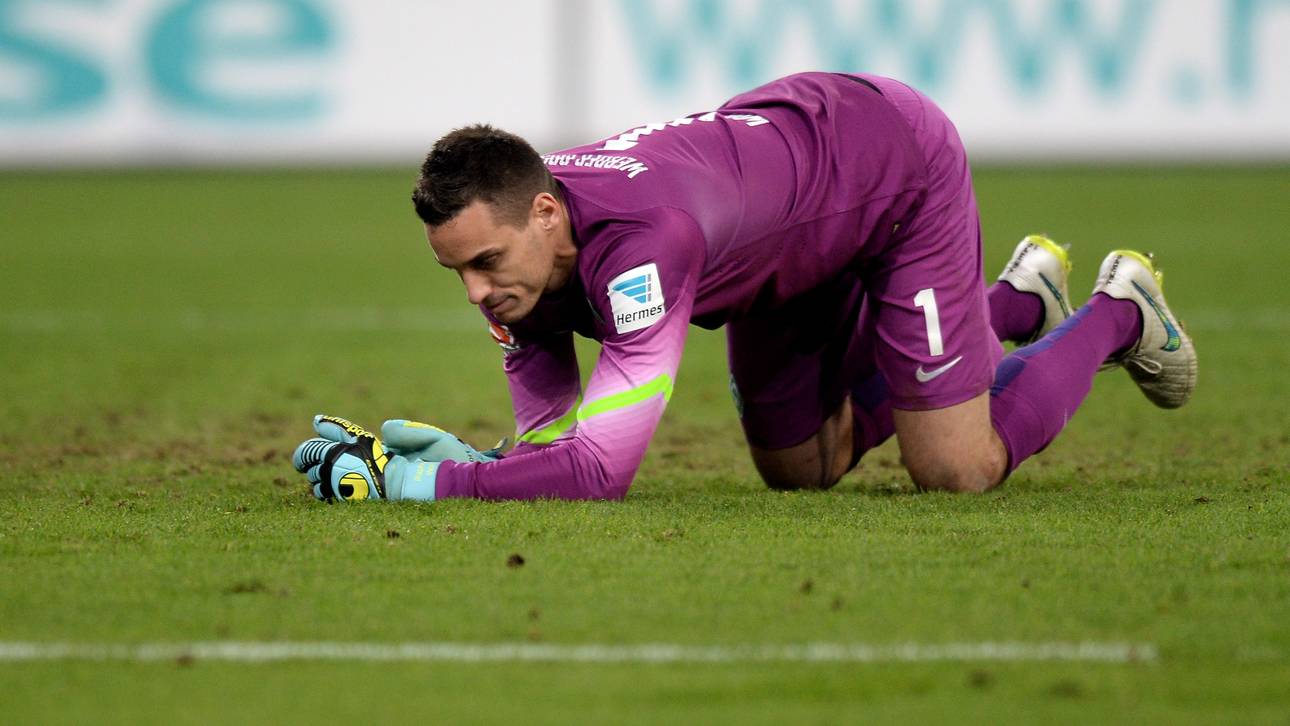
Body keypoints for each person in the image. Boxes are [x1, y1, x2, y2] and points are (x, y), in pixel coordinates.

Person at [291, 72, 1197, 502]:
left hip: (889, 173)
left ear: (545, 214)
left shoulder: (641, 250)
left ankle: (1121, 311)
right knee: (800, 470)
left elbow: (600, 473)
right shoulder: (521, 260)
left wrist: (417, 487)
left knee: (955, 470)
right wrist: (480, 463)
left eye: (484, 265)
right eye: (456, 273)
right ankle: (1010, 306)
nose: (476, 294)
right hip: (783, 237)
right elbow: (557, 439)